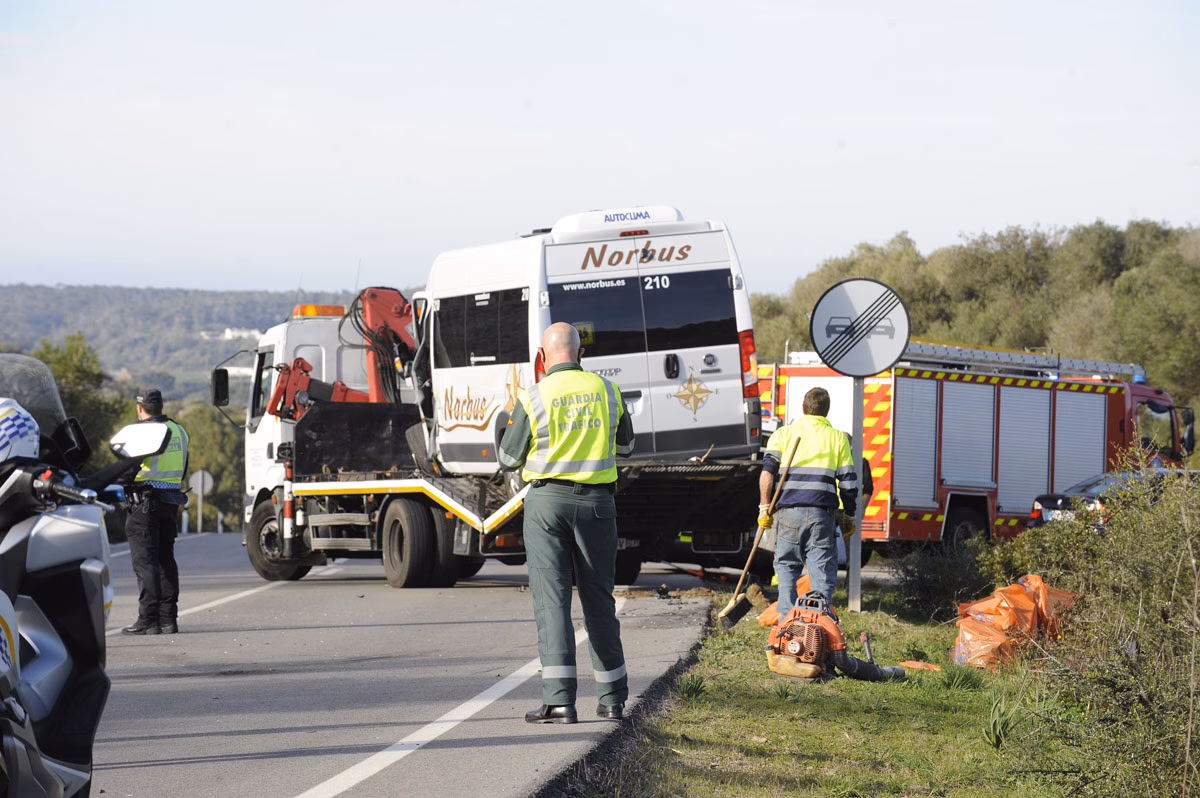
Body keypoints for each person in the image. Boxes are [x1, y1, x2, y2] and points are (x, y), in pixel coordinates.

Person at [498, 322, 635, 724]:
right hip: (597, 504)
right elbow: (626, 446)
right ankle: (612, 700)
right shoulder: (607, 391)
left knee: (553, 602)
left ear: (542, 358)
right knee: (599, 601)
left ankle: (559, 702)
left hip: (547, 506)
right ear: (581, 354)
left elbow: (508, 459)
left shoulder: (533, 396)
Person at [757, 387, 858, 614]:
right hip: (822, 516)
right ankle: (816, 629)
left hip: (788, 513)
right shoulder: (838, 439)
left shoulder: (784, 434)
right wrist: (849, 515)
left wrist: (764, 509)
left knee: (786, 569)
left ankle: (786, 630)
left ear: (803, 408)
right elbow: (849, 484)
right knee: (821, 575)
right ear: (826, 412)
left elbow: (767, 475)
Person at [122, 389, 190, 635]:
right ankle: (168, 619)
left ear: (140, 408)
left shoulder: (142, 432)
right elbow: (184, 466)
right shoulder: (179, 430)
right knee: (165, 560)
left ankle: (147, 620)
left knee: (146, 562)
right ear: (161, 406)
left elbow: (127, 468)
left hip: (144, 502)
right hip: (170, 500)